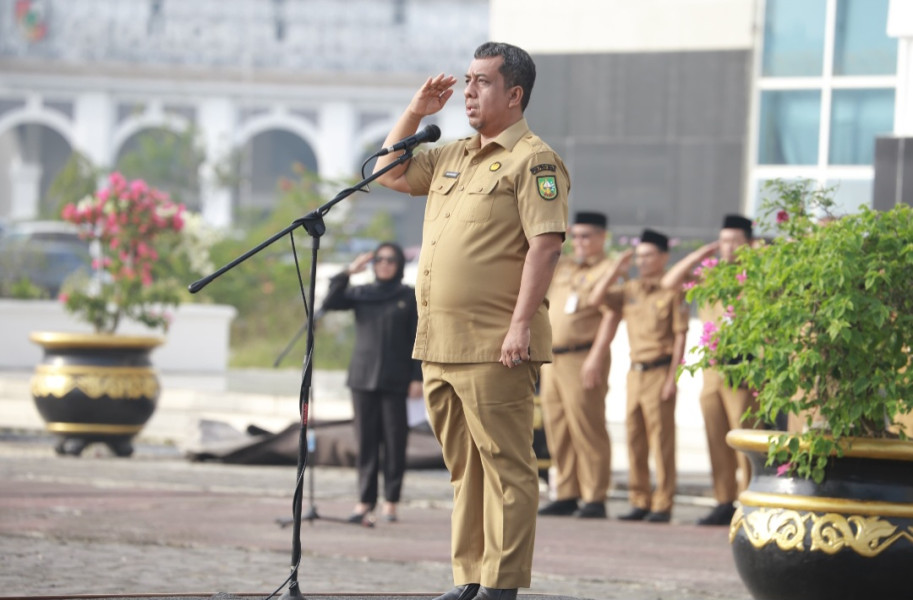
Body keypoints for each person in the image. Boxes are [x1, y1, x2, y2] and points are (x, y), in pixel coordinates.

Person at [373, 41, 569, 600]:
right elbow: (388, 172)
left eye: (482, 82)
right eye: (466, 80)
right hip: (439, 344)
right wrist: (415, 112)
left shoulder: (536, 160)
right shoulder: (450, 154)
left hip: (494, 345)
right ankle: (470, 578)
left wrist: (520, 326)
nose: (468, 92)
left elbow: (545, 247)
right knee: (466, 471)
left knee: (508, 469)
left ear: (515, 94)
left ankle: (501, 587)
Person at [660, 214, 761, 526]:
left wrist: (757, 256)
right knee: (715, 436)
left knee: (745, 440)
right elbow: (669, 282)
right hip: (712, 370)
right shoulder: (710, 276)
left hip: (744, 369)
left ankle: (751, 502)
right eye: (724, 241)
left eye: (735, 241)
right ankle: (723, 500)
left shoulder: (757, 277)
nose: (728, 248)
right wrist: (703, 253)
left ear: (749, 244)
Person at [590, 229, 689, 524]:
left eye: (649, 256)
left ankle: (663, 503)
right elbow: (596, 299)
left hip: (661, 370)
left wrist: (674, 378)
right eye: (640, 256)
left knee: (661, 442)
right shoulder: (630, 289)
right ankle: (639, 498)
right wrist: (615, 269)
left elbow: (681, 338)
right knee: (634, 438)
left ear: (663, 257)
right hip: (635, 373)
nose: (643, 261)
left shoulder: (673, 291)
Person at [321, 242, 423, 524]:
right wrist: (349, 271)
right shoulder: (362, 293)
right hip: (363, 378)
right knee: (366, 442)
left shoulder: (408, 296)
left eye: (391, 260)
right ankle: (365, 501)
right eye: (380, 259)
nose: (385, 264)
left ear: (400, 264)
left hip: (397, 379)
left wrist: (418, 377)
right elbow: (330, 302)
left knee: (394, 442)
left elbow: (418, 338)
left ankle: (391, 501)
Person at [537, 211, 617, 519]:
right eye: (577, 235)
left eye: (587, 236)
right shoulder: (565, 266)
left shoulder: (609, 269)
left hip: (584, 355)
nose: (580, 242)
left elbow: (612, 314)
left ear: (602, 238)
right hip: (553, 356)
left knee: (587, 426)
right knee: (557, 425)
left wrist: (597, 356)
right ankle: (567, 492)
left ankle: (595, 495)